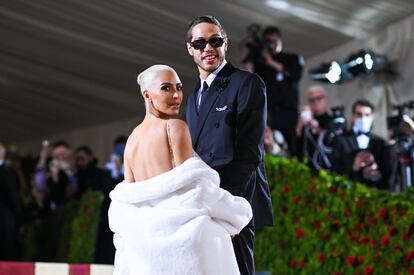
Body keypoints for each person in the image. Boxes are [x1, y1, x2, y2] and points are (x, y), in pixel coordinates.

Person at [108, 65, 252, 275]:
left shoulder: (131, 140)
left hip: (145, 248)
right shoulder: (175, 128)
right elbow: (194, 190)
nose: (176, 95)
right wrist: (236, 213)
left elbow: (130, 199)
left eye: (179, 87)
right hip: (184, 245)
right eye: (166, 88)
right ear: (146, 94)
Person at [185, 15, 274, 275]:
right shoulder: (191, 99)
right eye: (200, 43)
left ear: (226, 43)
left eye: (215, 41)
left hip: (233, 202)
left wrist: (228, 208)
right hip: (203, 205)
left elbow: (250, 153)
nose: (208, 49)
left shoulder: (247, 83)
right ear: (190, 49)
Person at [246, 26, 304, 153]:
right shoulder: (261, 65)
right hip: (269, 112)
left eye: (274, 41)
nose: (271, 45)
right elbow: (251, 81)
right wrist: (251, 57)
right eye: (268, 41)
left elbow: (295, 74)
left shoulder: (291, 58)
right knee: (270, 144)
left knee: (292, 145)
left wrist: (271, 61)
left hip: (289, 111)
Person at [331, 99, 387, 189]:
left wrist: (375, 170)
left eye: (367, 115)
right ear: (353, 116)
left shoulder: (379, 142)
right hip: (348, 192)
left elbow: (386, 175)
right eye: (359, 114)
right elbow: (334, 170)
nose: (363, 118)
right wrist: (353, 167)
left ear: (372, 117)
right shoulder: (340, 140)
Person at [296, 86, 333, 170]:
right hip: (305, 167)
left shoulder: (333, 121)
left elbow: (330, 145)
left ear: (326, 99)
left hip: (324, 169)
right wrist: (300, 124)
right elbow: (296, 147)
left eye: (319, 98)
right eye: (312, 100)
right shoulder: (305, 119)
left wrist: (317, 128)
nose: (315, 102)